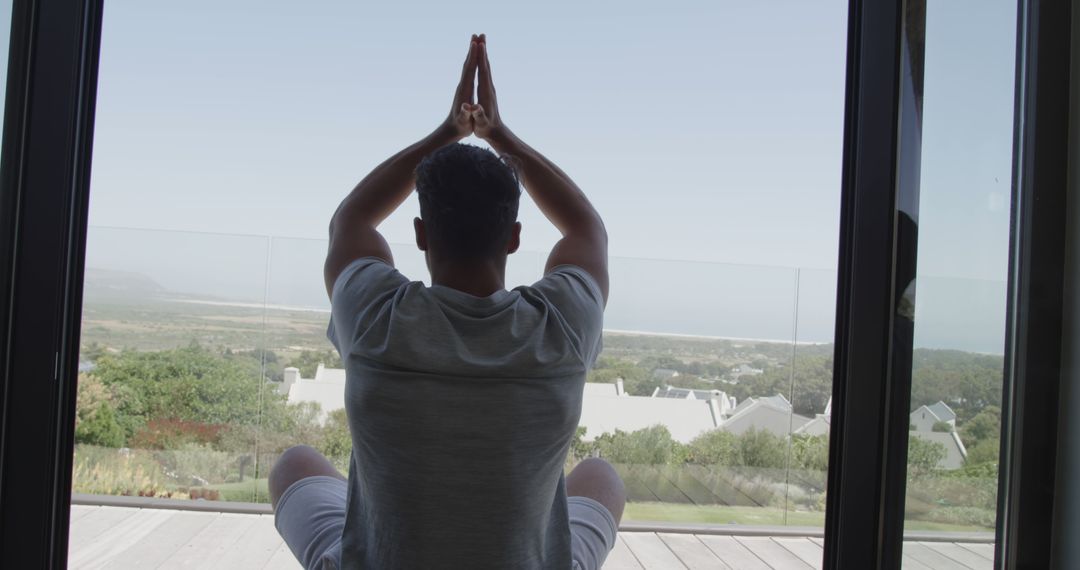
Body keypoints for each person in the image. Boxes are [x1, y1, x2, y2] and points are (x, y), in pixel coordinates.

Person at [268, 34, 624, 569]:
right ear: (514, 237)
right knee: (601, 477)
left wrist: (446, 133)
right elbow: (586, 229)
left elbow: (352, 221)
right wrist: (501, 137)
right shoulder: (561, 327)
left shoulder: (374, 318)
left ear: (420, 233)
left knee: (294, 464)